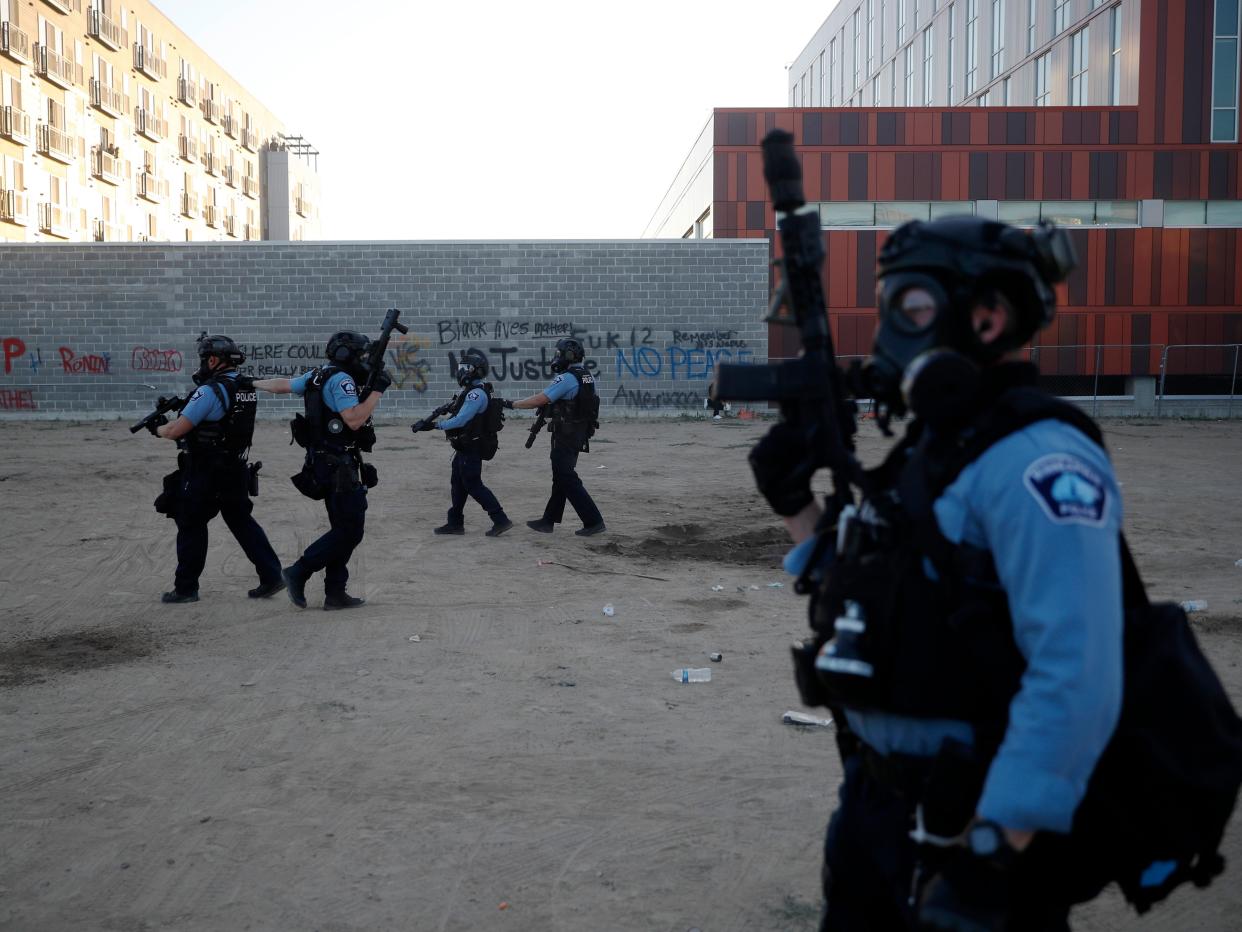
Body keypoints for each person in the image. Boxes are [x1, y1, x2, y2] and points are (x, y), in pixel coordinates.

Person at [751, 217, 1126, 931]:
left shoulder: (1037, 462)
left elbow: (1077, 673)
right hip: (876, 801)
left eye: (911, 307)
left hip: (972, 821)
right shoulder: (931, 451)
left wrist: (992, 852)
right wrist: (797, 507)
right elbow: (872, 603)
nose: (893, 329)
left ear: (986, 317)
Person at [253, 331, 390, 610]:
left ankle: (335, 593)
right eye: (360, 354)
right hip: (339, 465)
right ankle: (299, 571)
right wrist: (377, 391)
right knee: (351, 530)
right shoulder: (341, 380)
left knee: (343, 527)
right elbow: (353, 420)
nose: (363, 360)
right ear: (345, 355)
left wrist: (251, 381)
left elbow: (283, 385)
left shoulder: (319, 374)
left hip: (323, 462)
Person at [149, 334, 284, 604]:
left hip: (206, 470)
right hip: (235, 467)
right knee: (242, 521)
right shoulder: (244, 386)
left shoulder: (209, 391)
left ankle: (186, 588)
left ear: (212, 360)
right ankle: (272, 577)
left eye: (203, 359)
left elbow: (177, 430)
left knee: (190, 522)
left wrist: (158, 428)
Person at [506, 337, 605, 536]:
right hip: (578, 432)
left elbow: (540, 400)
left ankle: (593, 521)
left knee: (566, 476)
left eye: (559, 354)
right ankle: (548, 521)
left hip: (567, 434)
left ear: (567, 356)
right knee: (560, 475)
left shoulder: (567, 378)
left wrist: (512, 404)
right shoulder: (586, 375)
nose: (556, 357)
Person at [417, 350, 512, 537]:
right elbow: (452, 408)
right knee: (458, 482)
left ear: (475, 371)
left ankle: (500, 519)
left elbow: (461, 420)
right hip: (463, 446)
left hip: (472, 446)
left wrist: (435, 426)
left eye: (465, 368)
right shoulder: (469, 391)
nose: (461, 372)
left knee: (473, 484)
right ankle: (455, 523)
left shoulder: (476, 395)